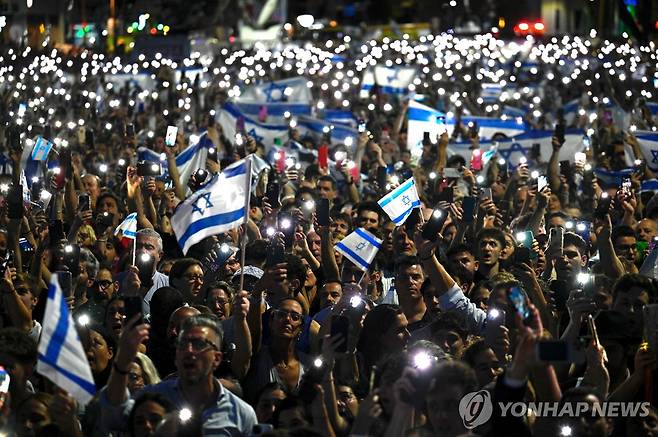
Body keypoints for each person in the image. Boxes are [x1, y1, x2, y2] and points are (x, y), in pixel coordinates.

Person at [102, 315, 257, 434]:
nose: (189, 351)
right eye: (182, 344)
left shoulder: (241, 414)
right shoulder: (153, 397)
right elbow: (112, 416)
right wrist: (122, 363)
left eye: (199, 344)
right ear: (176, 357)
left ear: (216, 358)